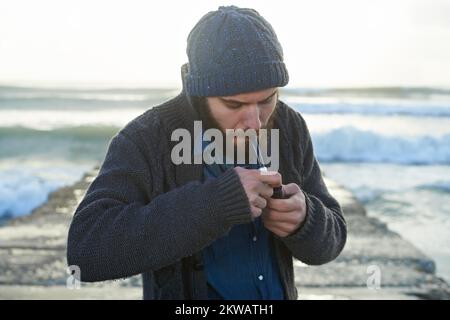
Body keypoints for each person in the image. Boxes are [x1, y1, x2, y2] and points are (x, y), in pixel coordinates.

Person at [67, 5, 346, 300]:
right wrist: (218, 203)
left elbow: (332, 241)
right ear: (200, 94)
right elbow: (86, 253)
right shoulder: (148, 137)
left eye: (267, 100)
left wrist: (306, 220)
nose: (254, 122)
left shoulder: (289, 127)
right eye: (234, 105)